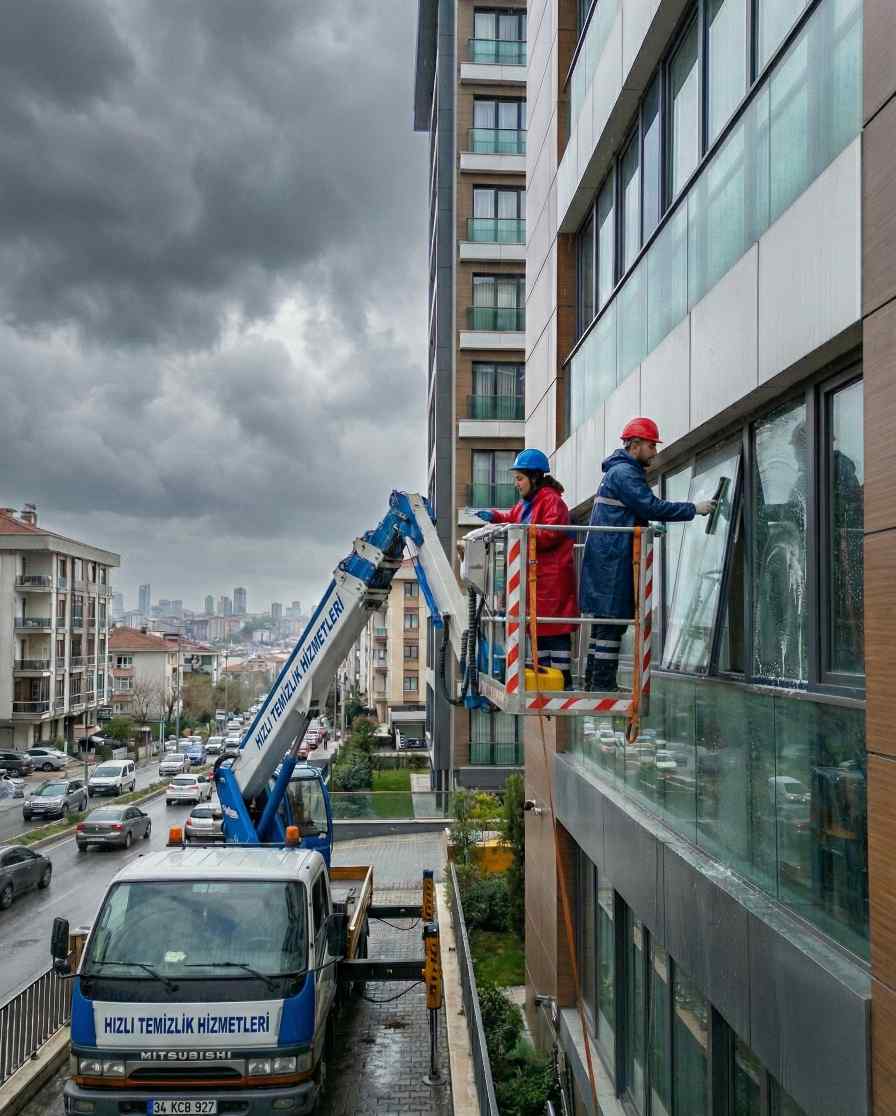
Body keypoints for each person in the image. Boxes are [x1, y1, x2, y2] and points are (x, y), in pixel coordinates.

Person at [579, 418, 716, 691]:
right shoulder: (625, 474)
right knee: (612, 622)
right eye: (651, 446)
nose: (654, 452)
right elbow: (650, 505)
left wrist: (644, 528)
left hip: (609, 556)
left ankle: (596, 681)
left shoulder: (618, 472)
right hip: (614, 559)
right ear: (635, 445)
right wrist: (694, 509)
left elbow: (628, 511)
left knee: (605, 622)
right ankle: (602, 685)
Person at [474, 448, 577, 685]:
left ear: (535, 477)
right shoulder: (527, 504)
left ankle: (561, 680)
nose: (516, 484)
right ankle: (545, 680)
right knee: (537, 631)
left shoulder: (552, 501)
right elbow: (512, 517)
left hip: (552, 580)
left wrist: (520, 535)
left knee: (555, 632)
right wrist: (494, 517)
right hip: (536, 579)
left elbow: (551, 533)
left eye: (519, 478)